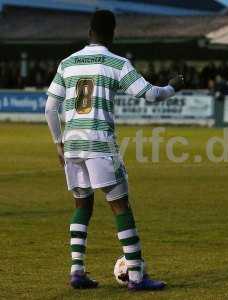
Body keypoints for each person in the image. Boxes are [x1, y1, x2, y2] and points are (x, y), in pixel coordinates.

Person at [45, 10, 184, 291]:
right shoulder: (116, 63)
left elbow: (50, 107)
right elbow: (151, 94)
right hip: (99, 143)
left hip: (72, 144)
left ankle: (77, 272)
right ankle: (136, 276)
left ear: (89, 32)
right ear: (113, 33)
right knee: (121, 206)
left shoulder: (67, 63)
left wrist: (58, 143)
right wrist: (173, 86)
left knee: (82, 205)